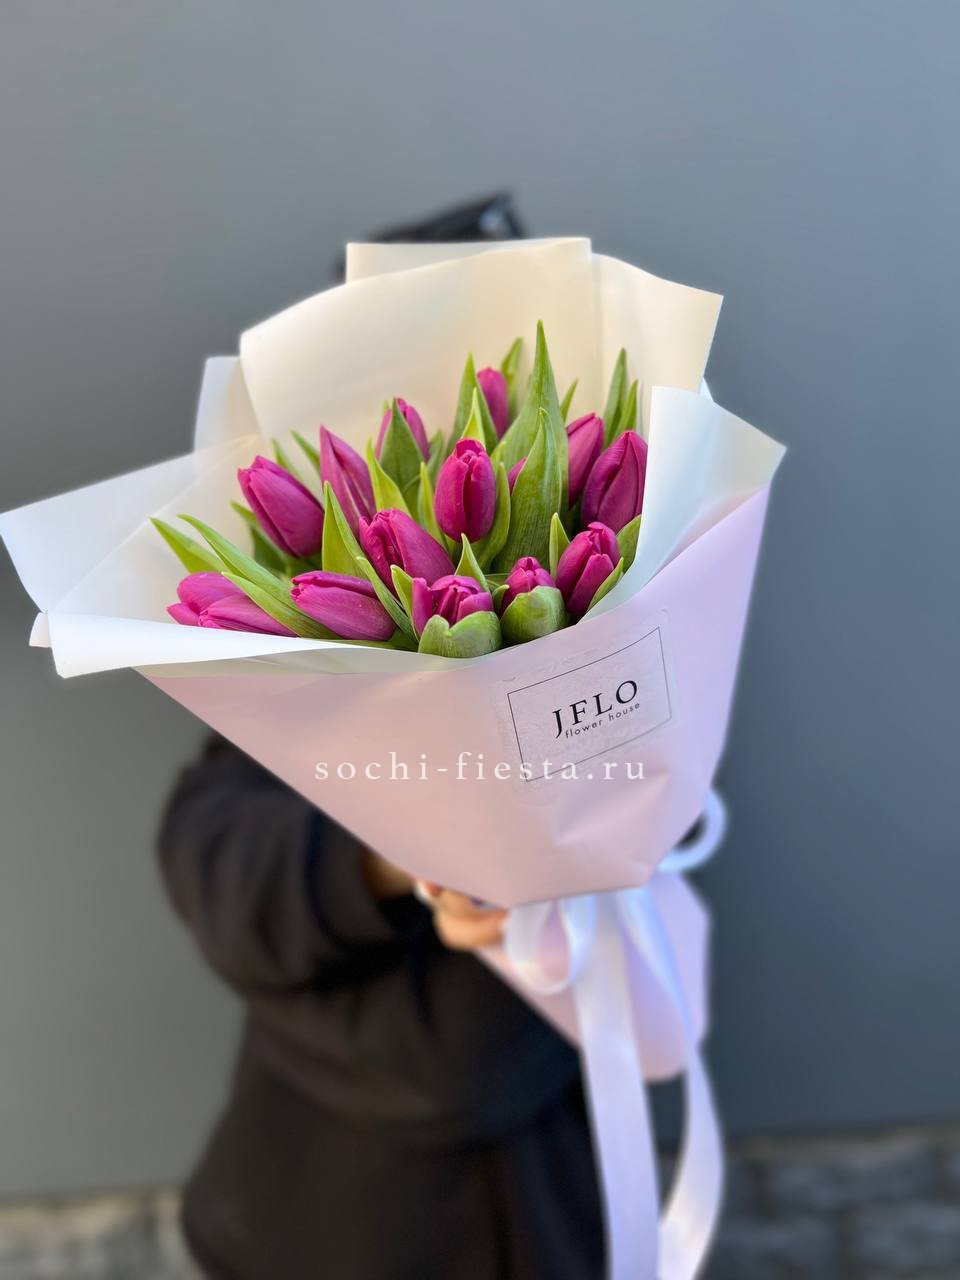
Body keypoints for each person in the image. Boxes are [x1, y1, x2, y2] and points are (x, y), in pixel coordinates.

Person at [158, 735, 605, 1279]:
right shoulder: (287, 717)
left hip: (547, 1211)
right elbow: (216, 862)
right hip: (289, 1217)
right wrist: (402, 850)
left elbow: (460, 1062)